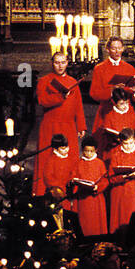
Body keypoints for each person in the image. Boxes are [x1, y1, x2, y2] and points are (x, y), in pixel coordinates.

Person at [35, 52, 85, 191]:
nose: (60, 66)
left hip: (68, 126)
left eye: (63, 62)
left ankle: (69, 191)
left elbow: (78, 106)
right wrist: (60, 96)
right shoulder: (44, 81)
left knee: (70, 159)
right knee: (47, 159)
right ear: (52, 63)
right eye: (57, 62)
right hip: (50, 126)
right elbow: (42, 101)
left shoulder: (73, 82)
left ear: (67, 63)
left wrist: (81, 126)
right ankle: (44, 192)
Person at [89, 37, 135, 132]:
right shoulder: (100, 68)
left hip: (126, 113)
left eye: (119, 48)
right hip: (107, 112)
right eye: (114, 48)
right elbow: (94, 93)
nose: (117, 51)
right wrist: (111, 90)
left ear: (123, 48)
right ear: (108, 49)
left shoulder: (129, 68)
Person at [107, 128, 135, 236]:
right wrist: (125, 176)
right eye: (126, 144)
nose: (129, 146)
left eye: (131, 143)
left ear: (134, 140)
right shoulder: (115, 156)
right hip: (120, 194)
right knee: (122, 223)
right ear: (121, 142)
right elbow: (111, 179)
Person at [71, 136, 110, 238]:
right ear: (82, 150)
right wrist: (74, 182)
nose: (88, 154)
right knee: (83, 224)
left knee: (97, 224)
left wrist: (98, 187)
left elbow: (105, 180)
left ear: (95, 150)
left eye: (91, 151)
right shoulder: (78, 163)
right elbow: (73, 177)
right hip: (83, 199)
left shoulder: (100, 163)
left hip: (96, 199)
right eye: (86, 151)